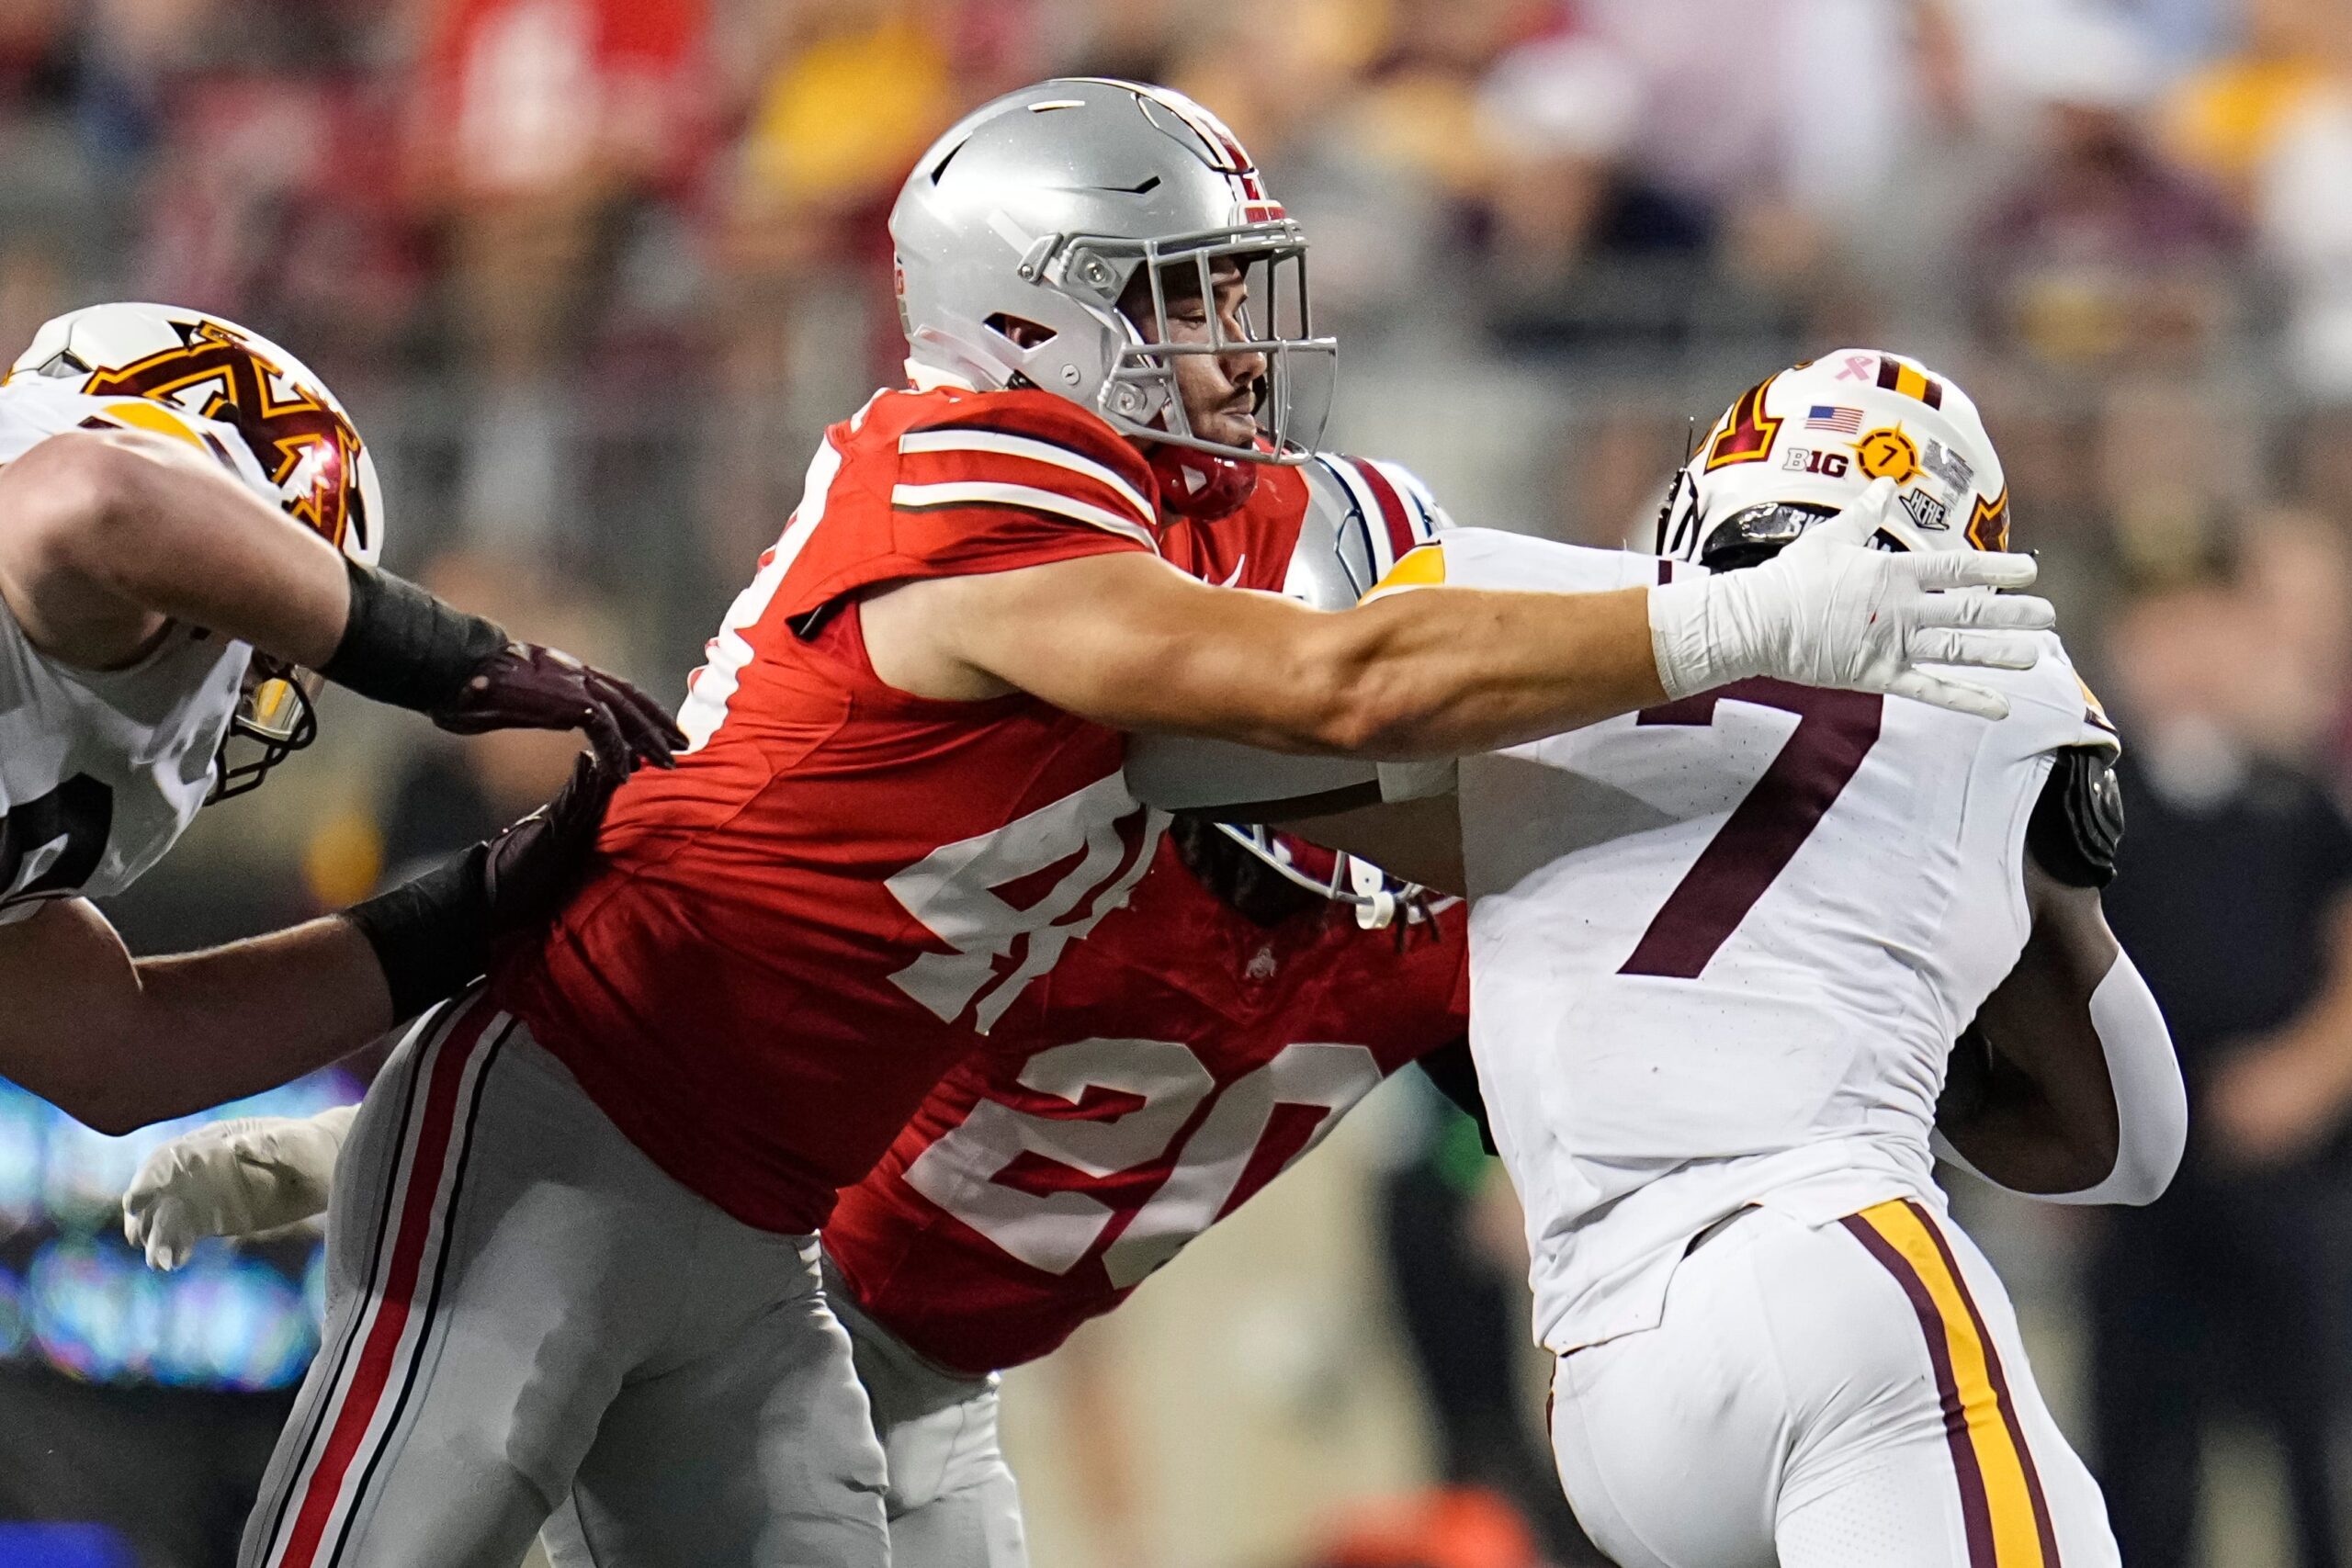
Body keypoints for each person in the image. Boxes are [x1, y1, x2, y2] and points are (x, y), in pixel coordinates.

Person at [178, 82, 2051, 1568]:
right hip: (707, 1201)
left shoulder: (1408, 896)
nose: (1233, 351)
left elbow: (1661, 1021)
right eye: (1184, 300)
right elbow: (1323, 695)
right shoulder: (1007, 539)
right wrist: (1738, 621)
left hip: (841, 1311)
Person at [129, 449, 1476, 1568]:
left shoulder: (1463, 924)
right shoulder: (1074, 829)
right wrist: (330, 1156)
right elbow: (695, 1022)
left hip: (934, 1390)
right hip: (758, 1297)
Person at [1159, 349, 2187, 1566]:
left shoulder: (1497, 600)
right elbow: (2129, 1139)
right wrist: (2032, 904)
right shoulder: (1996, 689)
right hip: (1825, 1272)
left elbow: (1193, 755)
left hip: (1604, 1383)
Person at [0, 301, 681, 1137]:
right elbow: (104, 497)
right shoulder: (68, 529)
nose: (258, 693)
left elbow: (125, 1051)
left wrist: (480, 905)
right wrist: (452, 657)